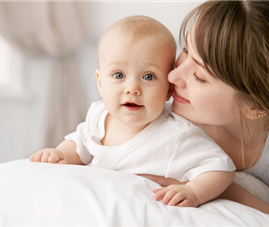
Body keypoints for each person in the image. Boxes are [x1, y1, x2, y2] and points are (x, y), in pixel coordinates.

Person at [139, 0, 269, 226]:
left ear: (256, 107)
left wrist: (212, 186)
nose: (173, 76)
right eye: (185, 50)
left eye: (200, 76)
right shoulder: (171, 122)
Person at [29, 15, 236, 208]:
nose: (132, 88)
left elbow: (220, 168)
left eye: (148, 77)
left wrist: (193, 192)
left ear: (168, 90)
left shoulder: (177, 134)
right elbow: (79, 143)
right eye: (119, 75)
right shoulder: (98, 115)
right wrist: (60, 154)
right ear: (100, 83)